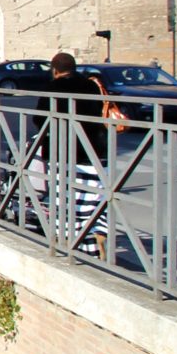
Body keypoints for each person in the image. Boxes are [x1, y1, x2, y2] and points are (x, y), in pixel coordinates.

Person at [29, 51, 113, 253]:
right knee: (94, 199)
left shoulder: (53, 87)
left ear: (55, 70)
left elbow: (40, 119)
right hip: (94, 148)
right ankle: (97, 233)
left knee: (65, 200)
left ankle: (68, 242)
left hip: (64, 151)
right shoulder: (91, 85)